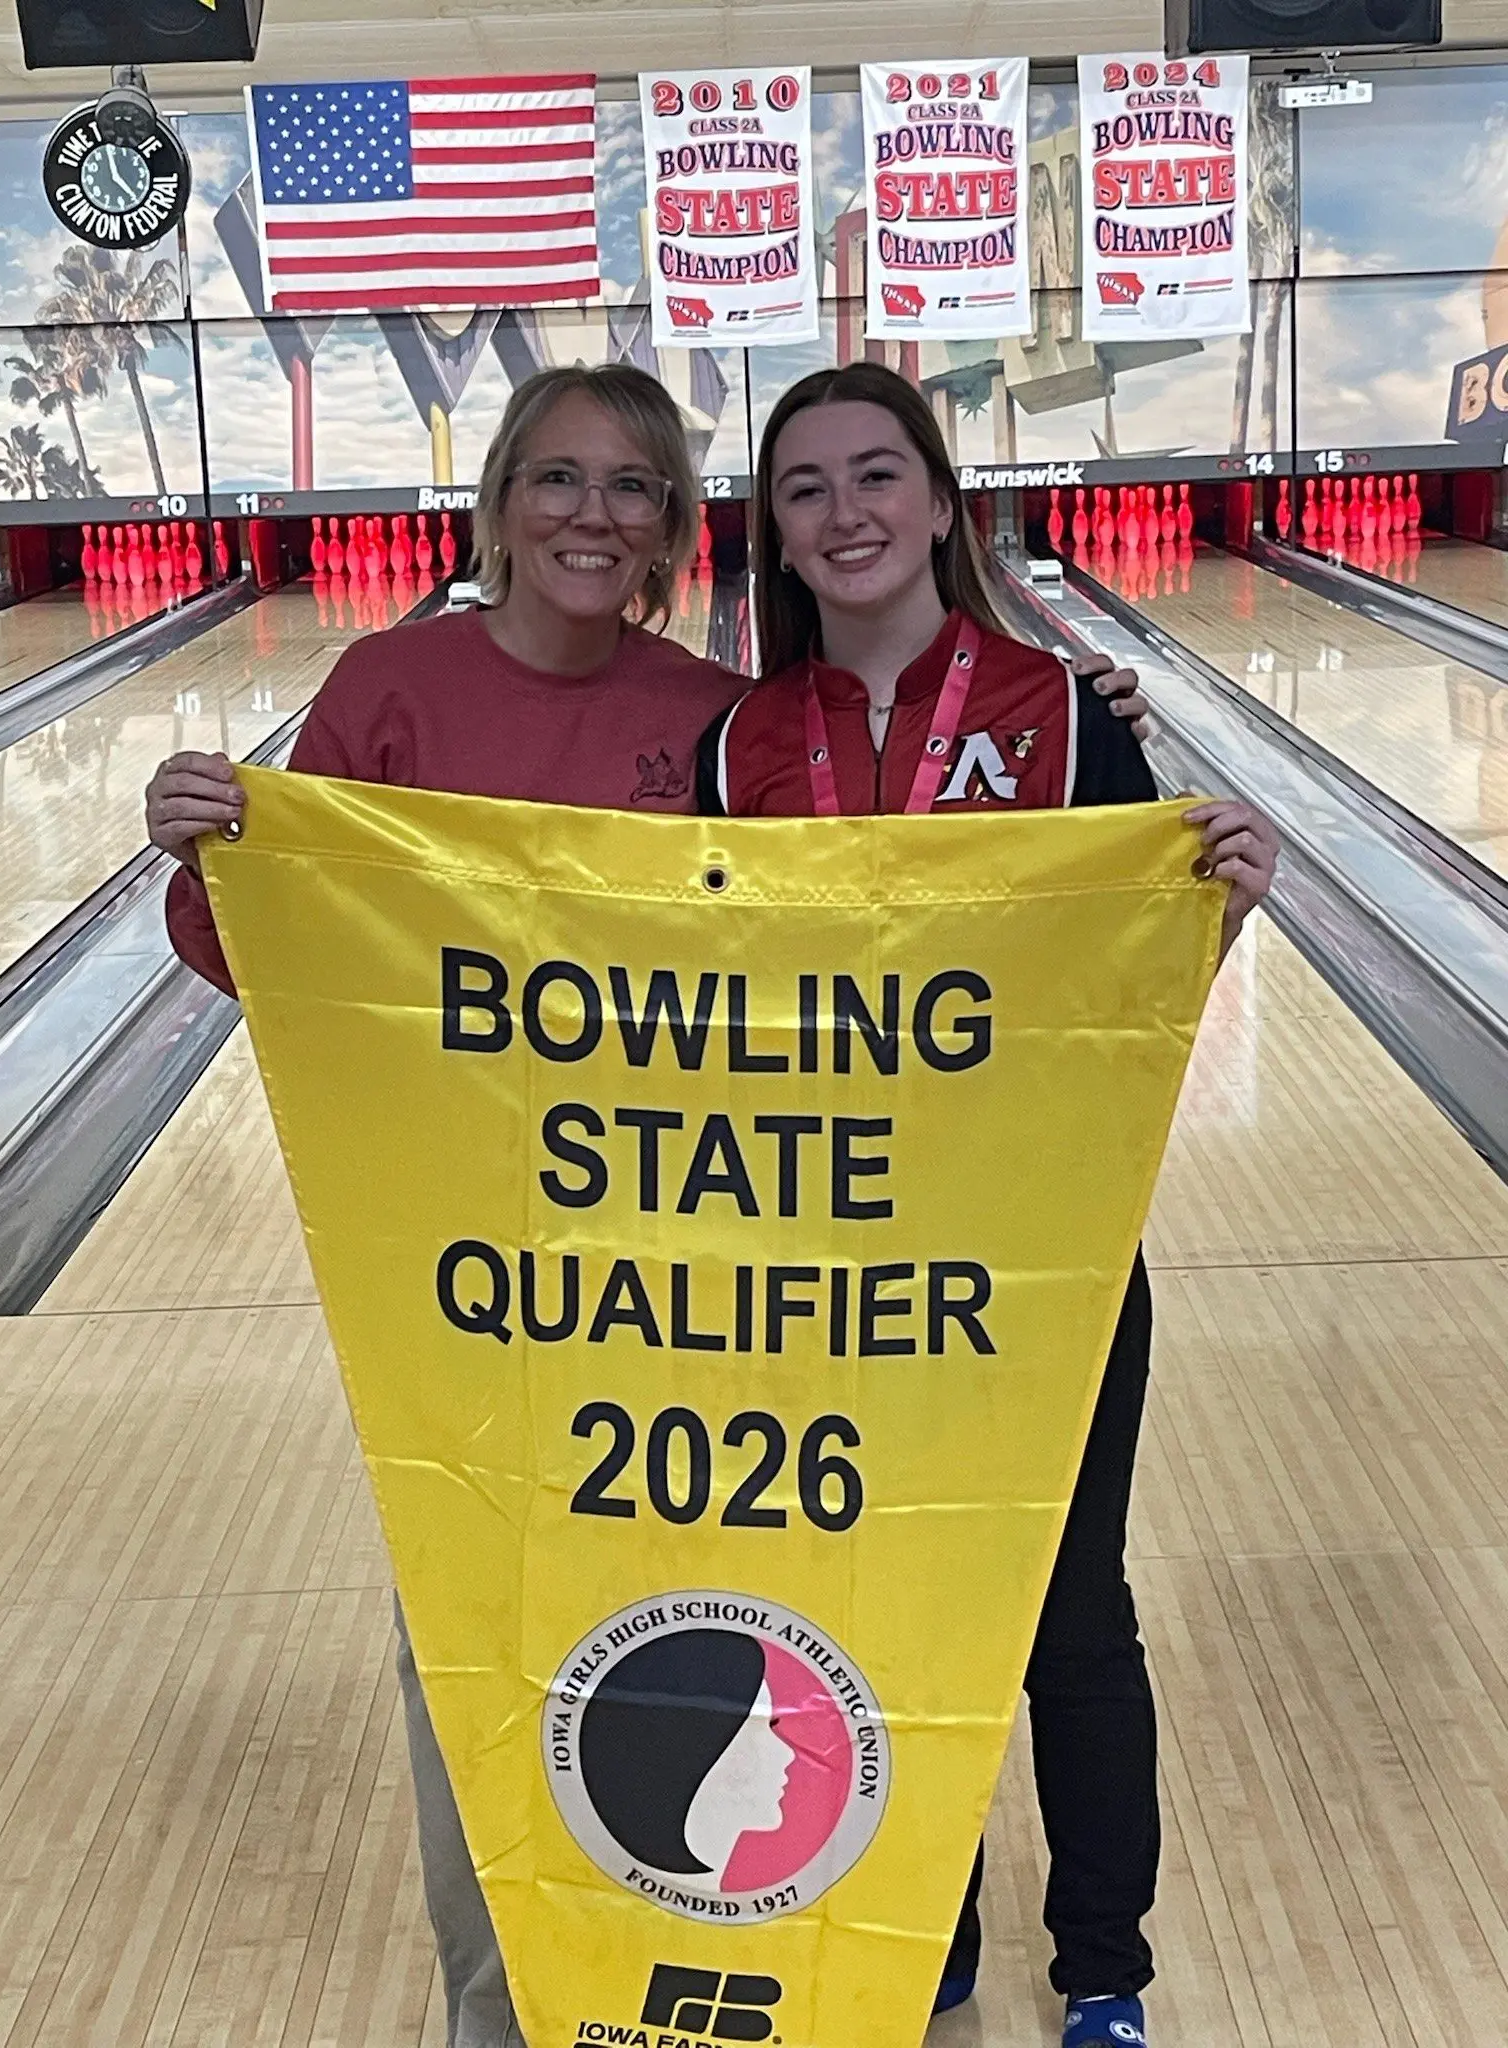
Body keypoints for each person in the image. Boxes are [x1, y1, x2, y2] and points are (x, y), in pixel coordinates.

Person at [145, 361, 1152, 2048]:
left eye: (630, 488)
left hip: (741, 1270)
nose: (590, 517)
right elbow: (305, 957)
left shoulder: (715, 719)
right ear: (500, 501)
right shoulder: (413, 688)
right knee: (478, 1627)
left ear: (681, 527)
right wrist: (217, 854)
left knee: (830, 1610)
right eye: (556, 480)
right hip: (495, 1269)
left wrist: (1127, 788)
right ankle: (511, 2004)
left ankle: (816, 1956)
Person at [696, 361, 1280, 2048]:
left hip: (1046, 1259)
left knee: (1070, 1610)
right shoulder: (743, 744)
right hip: (833, 1267)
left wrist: (1218, 911)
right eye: (807, 488)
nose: (848, 511)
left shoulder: (1066, 714)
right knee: (876, 1604)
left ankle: (1104, 1970)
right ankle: (918, 1927)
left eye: (880, 475)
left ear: (941, 503)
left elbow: (1116, 993)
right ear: (777, 536)